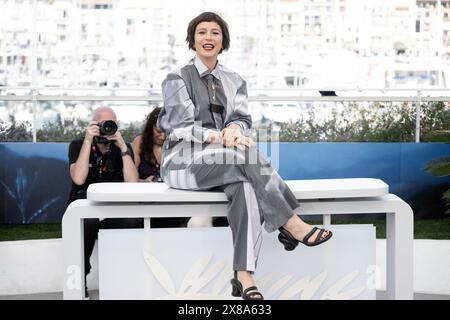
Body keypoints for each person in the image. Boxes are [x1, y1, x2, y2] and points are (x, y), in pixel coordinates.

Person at [157, 12, 333, 300]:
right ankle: (291, 223)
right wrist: (216, 136)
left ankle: (244, 276)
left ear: (223, 40)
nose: (208, 38)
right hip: (183, 161)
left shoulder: (235, 80)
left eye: (215, 32)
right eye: (202, 32)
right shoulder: (176, 78)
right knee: (243, 155)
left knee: (245, 186)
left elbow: (241, 118)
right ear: (192, 39)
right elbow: (180, 126)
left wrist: (235, 129)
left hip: (227, 160)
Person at [67, 106, 142, 299]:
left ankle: (122, 279)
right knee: (87, 223)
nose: (106, 129)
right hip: (84, 209)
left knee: (133, 221)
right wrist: (88, 140)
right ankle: (80, 280)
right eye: (102, 124)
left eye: (111, 124)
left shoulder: (122, 147)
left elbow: (133, 183)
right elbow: (78, 179)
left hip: (113, 210)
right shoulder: (78, 145)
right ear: (93, 125)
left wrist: (124, 148)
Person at [131, 107, 190, 228]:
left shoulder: (180, 145)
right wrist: (142, 181)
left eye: (167, 132)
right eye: (158, 131)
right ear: (150, 128)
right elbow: (130, 176)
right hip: (146, 204)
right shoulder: (139, 142)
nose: (163, 136)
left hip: (174, 204)